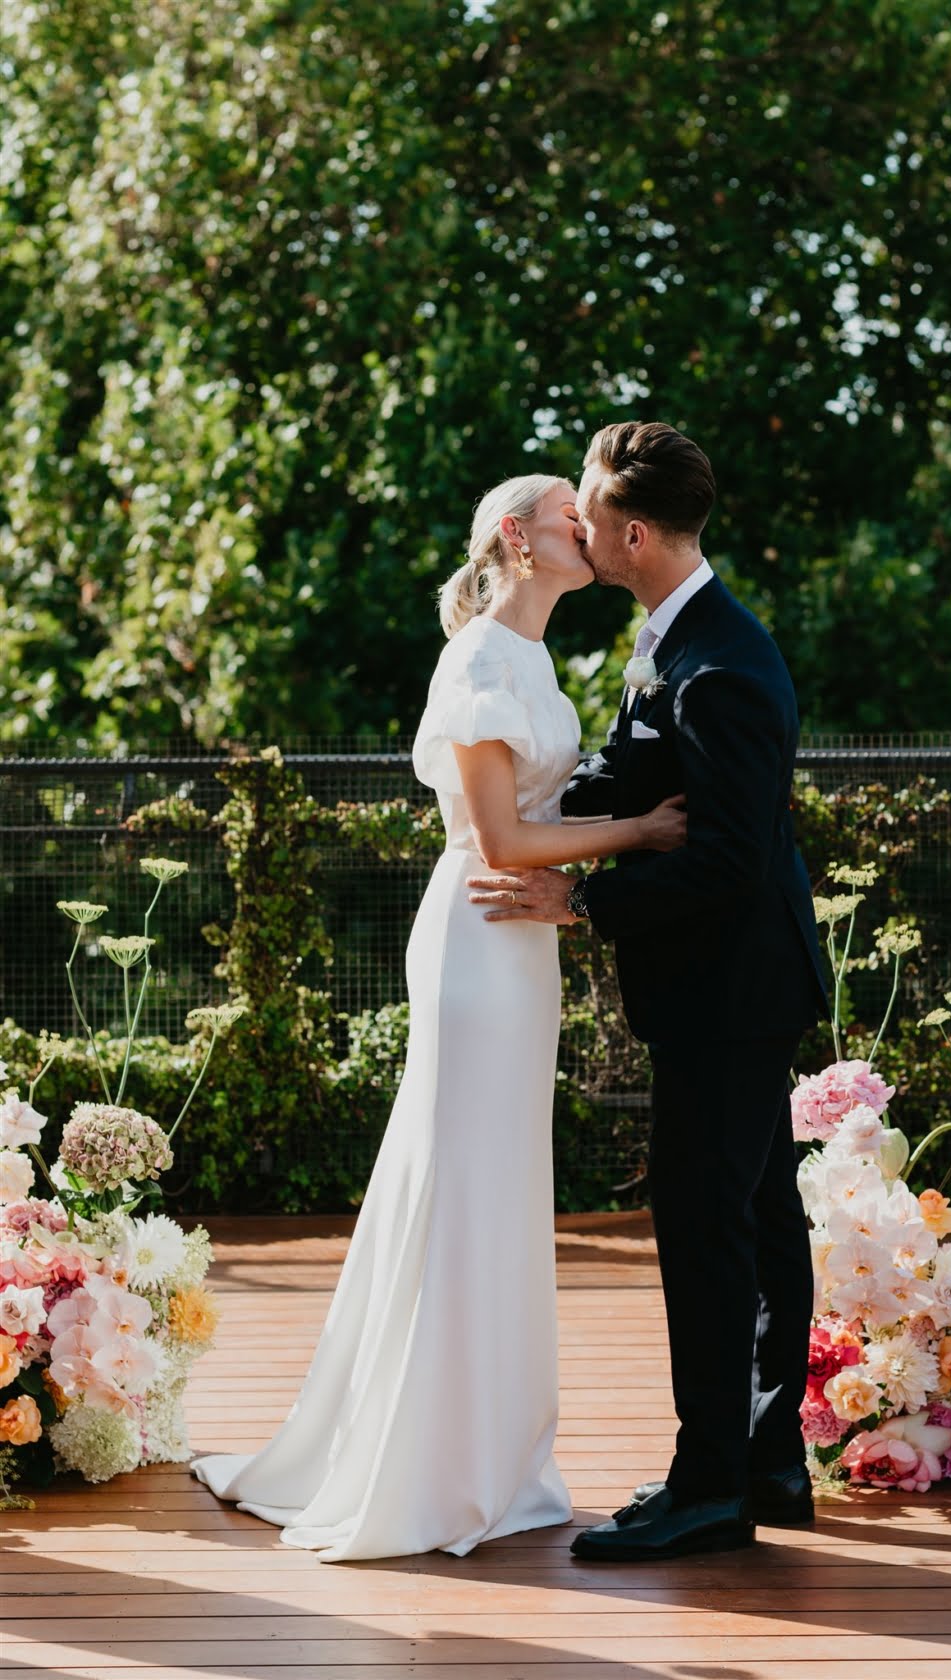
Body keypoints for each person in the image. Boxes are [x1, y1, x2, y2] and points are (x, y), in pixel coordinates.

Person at [190, 473, 686, 1562]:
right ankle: (427, 1464)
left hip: (522, 945)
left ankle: (489, 1454)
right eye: (566, 513)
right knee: (462, 1181)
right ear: (517, 536)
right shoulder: (477, 664)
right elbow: (501, 842)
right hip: (478, 936)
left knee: (499, 1186)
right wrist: (642, 833)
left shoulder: (532, 658)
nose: (586, 524)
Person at [468, 422, 829, 1562]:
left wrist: (577, 901)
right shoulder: (678, 639)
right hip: (736, 989)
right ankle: (766, 1462)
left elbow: (724, 862)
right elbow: (636, 775)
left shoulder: (719, 666)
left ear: (632, 536)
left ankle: (710, 1487)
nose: (577, 527)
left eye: (588, 513)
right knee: (759, 1220)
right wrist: (531, 811)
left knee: (707, 1230)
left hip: (730, 995)